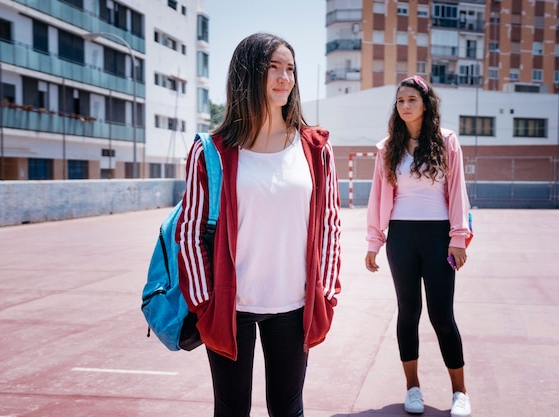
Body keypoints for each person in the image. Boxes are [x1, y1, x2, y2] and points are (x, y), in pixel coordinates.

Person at [176, 32, 342, 417]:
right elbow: (189, 232)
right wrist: (205, 302)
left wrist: (327, 291)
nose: (285, 78)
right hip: (230, 306)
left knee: (288, 410)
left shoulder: (315, 149)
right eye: (274, 68)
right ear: (248, 74)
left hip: (295, 303)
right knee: (231, 411)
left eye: (291, 69)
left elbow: (331, 224)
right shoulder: (212, 150)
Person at [364, 75, 473, 417]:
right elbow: (377, 198)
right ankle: (412, 388)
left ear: (426, 104)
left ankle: (460, 392)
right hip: (401, 238)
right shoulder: (387, 147)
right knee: (408, 313)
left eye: (412, 99)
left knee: (442, 316)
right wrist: (374, 241)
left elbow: (458, 193)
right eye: (400, 101)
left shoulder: (446, 141)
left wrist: (458, 238)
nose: (405, 106)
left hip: (439, 235)